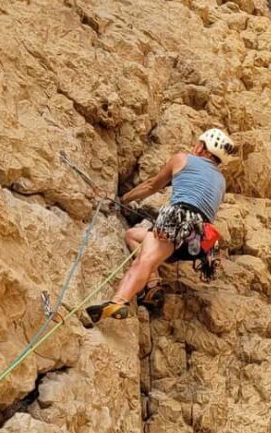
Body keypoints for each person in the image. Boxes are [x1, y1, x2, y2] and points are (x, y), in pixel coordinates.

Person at [86, 128, 236, 323]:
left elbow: (151, 185)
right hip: (199, 240)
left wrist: (123, 198)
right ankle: (152, 284)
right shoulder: (221, 181)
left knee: (144, 261)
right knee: (132, 235)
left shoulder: (182, 159)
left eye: (198, 144)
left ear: (202, 148)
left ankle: (119, 301)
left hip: (178, 220)